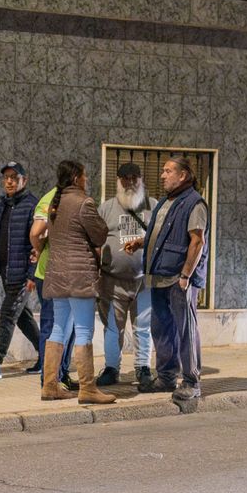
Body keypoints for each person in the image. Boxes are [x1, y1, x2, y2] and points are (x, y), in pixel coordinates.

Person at [124, 157, 208, 401]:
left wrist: (186, 276)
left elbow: (197, 241)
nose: (162, 175)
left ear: (182, 176)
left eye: (168, 171)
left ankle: (191, 382)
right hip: (159, 275)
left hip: (178, 279)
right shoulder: (166, 202)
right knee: (161, 329)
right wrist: (141, 241)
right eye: (163, 171)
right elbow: (160, 233)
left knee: (185, 330)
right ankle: (167, 377)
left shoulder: (194, 203)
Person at [41, 160, 115, 404]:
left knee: (58, 328)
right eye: (84, 176)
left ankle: (50, 384)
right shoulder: (84, 202)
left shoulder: (55, 202)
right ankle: (88, 388)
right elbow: (100, 234)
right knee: (84, 329)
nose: (87, 180)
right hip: (79, 275)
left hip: (57, 274)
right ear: (75, 178)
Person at [0, 161, 39, 381]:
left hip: (22, 274)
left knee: (7, 315)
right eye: (6, 178)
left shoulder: (32, 205)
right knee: (22, 317)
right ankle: (48, 356)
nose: (9, 181)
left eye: (14, 177)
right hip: (6, 270)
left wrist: (32, 274)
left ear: (24, 180)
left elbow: (38, 243)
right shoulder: (3, 204)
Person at [95, 162, 156, 390]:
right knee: (112, 327)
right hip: (112, 282)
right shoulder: (106, 209)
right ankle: (112, 368)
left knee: (143, 327)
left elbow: (161, 238)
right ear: (117, 181)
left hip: (144, 282)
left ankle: (143, 367)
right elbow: (96, 243)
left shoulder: (154, 207)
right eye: (124, 178)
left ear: (141, 180)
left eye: (134, 178)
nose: (129, 182)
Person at [29, 187, 78, 392]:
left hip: (58, 274)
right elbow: (35, 232)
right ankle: (50, 380)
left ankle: (61, 375)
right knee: (55, 327)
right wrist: (40, 249)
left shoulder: (55, 199)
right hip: (54, 274)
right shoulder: (53, 199)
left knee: (69, 327)